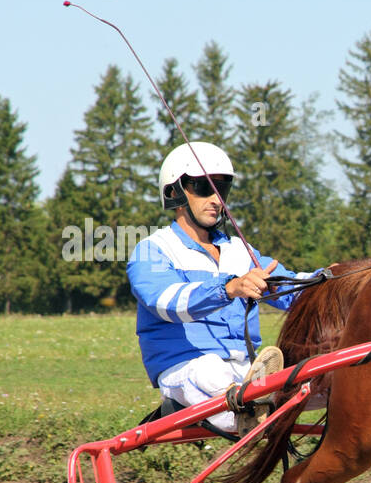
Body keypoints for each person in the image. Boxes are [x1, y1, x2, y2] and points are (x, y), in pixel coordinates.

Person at [128, 141, 315, 434]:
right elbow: (167, 303)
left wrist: (342, 279)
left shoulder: (241, 250)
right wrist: (229, 288)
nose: (216, 199)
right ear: (175, 192)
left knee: (320, 367)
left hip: (245, 370)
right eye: (204, 188)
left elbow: (291, 288)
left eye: (222, 189)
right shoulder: (153, 250)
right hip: (186, 369)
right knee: (209, 369)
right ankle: (255, 410)